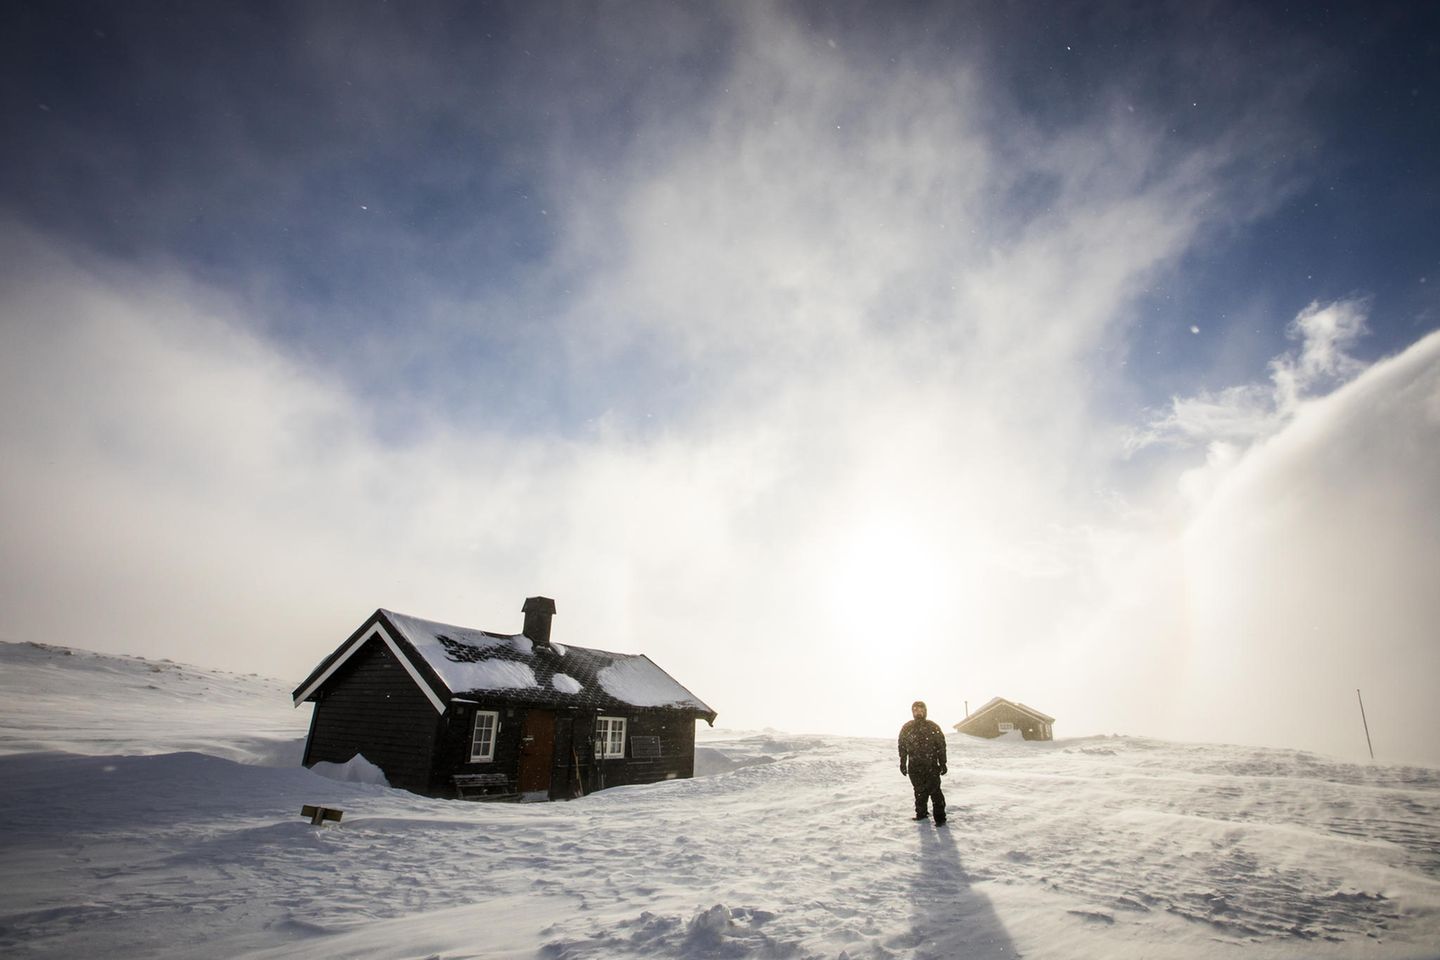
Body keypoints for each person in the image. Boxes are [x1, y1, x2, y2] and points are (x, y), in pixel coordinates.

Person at [898, 700, 947, 824]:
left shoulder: (932, 726)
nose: (918, 712)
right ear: (912, 712)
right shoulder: (907, 727)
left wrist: (943, 763)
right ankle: (921, 814)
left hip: (931, 765)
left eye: (921, 710)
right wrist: (902, 763)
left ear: (925, 711)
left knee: (935, 792)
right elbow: (902, 746)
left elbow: (941, 746)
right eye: (915, 710)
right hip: (914, 767)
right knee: (919, 792)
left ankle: (940, 819)